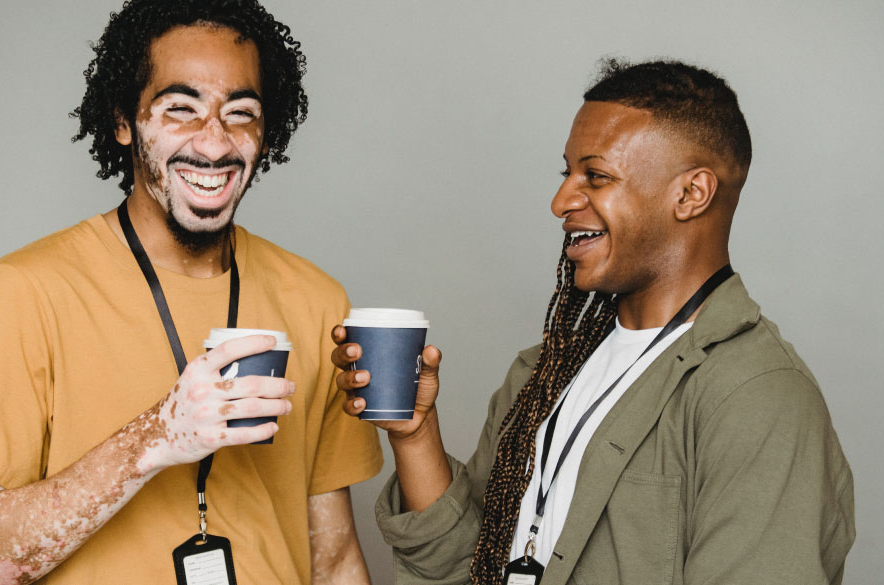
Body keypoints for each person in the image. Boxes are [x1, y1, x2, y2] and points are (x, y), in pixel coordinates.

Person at [332, 59, 855, 584]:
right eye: (567, 173)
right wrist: (415, 435)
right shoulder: (544, 372)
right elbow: (465, 566)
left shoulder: (756, 397)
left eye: (596, 176)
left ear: (691, 194)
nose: (561, 201)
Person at [0, 1, 382, 583]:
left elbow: (335, 560)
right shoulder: (27, 292)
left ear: (267, 130)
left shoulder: (318, 300)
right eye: (180, 109)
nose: (214, 144)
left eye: (240, 112)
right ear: (123, 120)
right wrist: (157, 436)